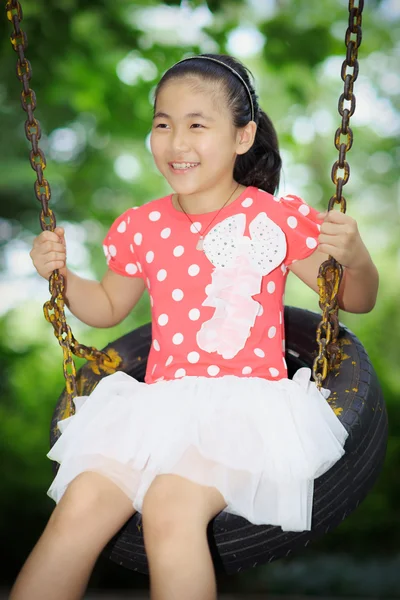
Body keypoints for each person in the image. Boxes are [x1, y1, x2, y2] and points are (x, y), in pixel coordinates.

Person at [11, 53, 379, 600]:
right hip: (155, 409)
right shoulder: (143, 225)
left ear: (242, 136)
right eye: (163, 124)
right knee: (78, 508)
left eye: (196, 125)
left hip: (243, 411)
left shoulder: (272, 219)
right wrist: (62, 276)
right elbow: (108, 306)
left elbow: (354, 298)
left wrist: (355, 257)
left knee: (170, 505)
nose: (176, 141)